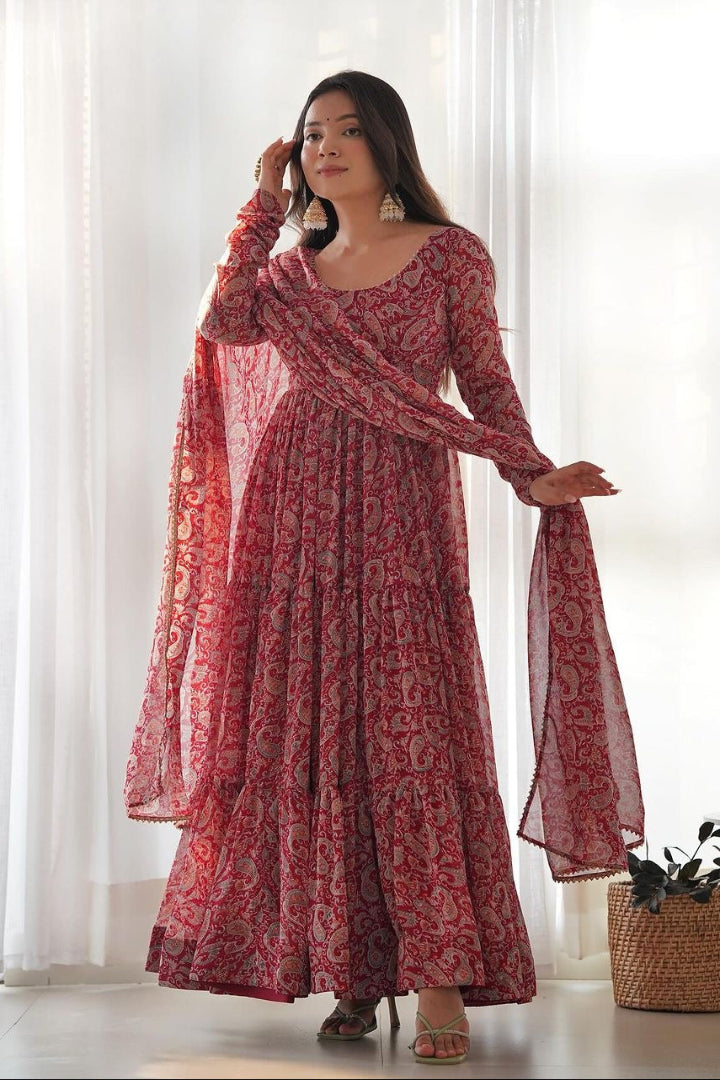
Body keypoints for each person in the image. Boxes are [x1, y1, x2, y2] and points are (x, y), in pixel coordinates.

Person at [124, 70, 643, 1066]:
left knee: (408, 731)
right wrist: (262, 205)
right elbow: (223, 323)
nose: (325, 147)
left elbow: (485, 384)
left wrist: (530, 475)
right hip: (292, 514)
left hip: (402, 508)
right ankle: (351, 967)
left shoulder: (449, 258)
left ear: (388, 144)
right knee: (311, 732)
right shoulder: (288, 271)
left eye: (347, 131)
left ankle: (438, 971)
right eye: (310, 133)